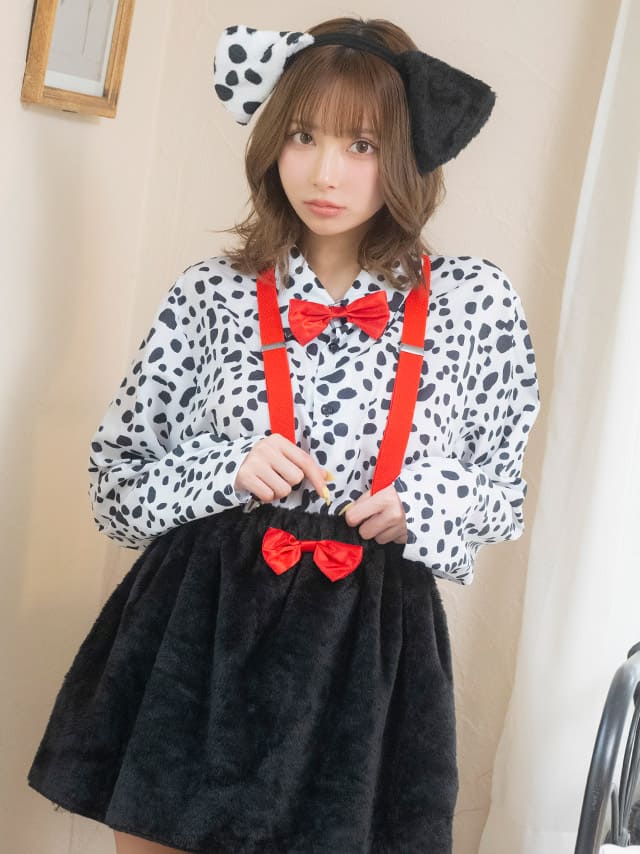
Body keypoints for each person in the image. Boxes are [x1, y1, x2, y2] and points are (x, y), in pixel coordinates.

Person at [27, 16, 541, 854]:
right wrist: (223, 467)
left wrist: (423, 503)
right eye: (303, 136)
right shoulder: (210, 293)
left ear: (407, 154)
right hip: (197, 633)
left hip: (366, 653)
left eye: (362, 145)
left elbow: (504, 496)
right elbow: (114, 489)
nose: (324, 172)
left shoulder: (474, 303)